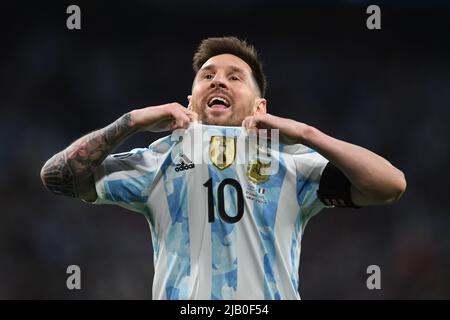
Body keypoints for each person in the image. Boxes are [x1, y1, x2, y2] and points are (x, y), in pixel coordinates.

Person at [40, 36, 406, 299]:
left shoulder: (292, 164)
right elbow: (57, 177)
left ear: (260, 107)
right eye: (208, 75)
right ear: (190, 101)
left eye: (235, 77)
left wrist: (307, 133)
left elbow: (389, 185)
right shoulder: (159, 159)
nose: (218, 80)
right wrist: (131, 121)